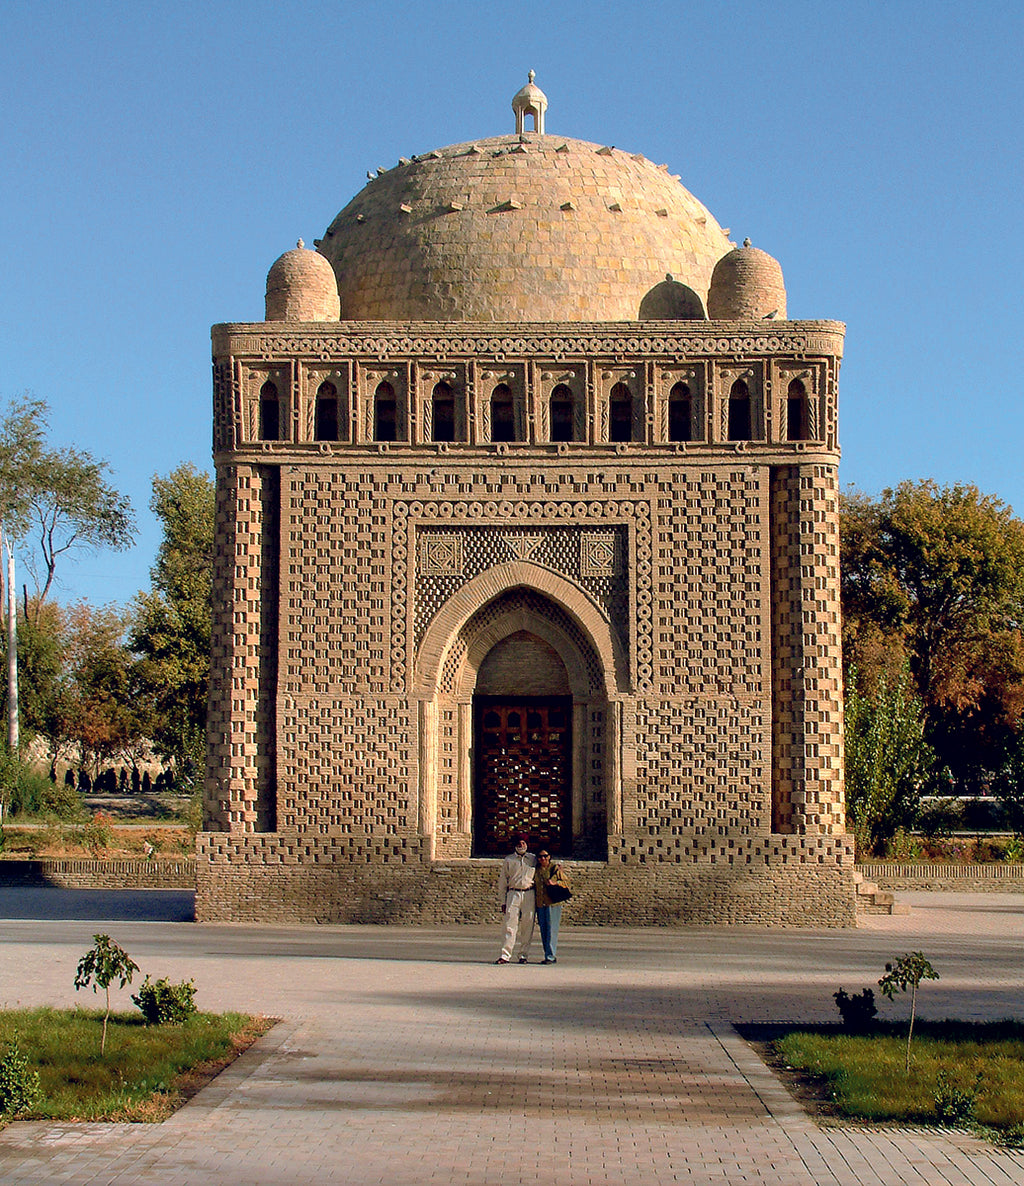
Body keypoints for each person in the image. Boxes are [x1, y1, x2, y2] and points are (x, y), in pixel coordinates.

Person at [495, 834, 536, 964]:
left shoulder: (533, 859)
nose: (521, 845)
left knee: (527, 925)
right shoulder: (509, 860)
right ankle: (505, 954)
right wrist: (503, 901)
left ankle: (523, 954)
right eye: (519, 843)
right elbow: (503, 881)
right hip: (513, 893)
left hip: (529, 893)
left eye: (523, 843)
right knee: (509, 925)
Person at [534, 849, 570, 964]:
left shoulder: (554, 868)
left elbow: (566, 883)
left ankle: (551, 955)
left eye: (545, 856)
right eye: (540, 857)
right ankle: (548, 954)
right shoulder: (536, 869)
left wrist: (556, 883)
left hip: (552, 904)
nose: (542, 859)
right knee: (544, 930)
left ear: (549, 857)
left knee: (552, 930)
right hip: (540, 903)